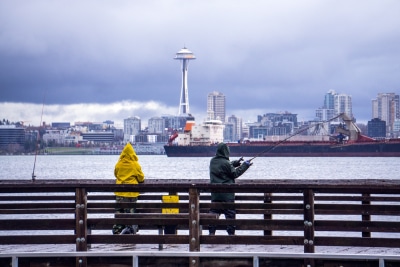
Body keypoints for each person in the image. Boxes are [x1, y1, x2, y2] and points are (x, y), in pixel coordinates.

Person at [208, 142, 252, 236]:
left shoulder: (213, 161)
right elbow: (235, 174)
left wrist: (236, 163)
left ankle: (211, 233)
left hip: (215, 195)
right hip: (227, 195)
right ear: (226, 151)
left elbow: (225, 166)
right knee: (230, 215)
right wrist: (245, 165)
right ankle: (231, 235)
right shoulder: (226, 163)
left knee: (213, 214)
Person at [112, 142, 145, 235]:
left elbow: (116, 174)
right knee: (130, 215)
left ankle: (117, 232)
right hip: (131, 194)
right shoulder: (135, 165)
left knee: (119, 214)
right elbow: (141, 178)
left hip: (119, 194)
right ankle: (130, 232)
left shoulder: (119, 164)